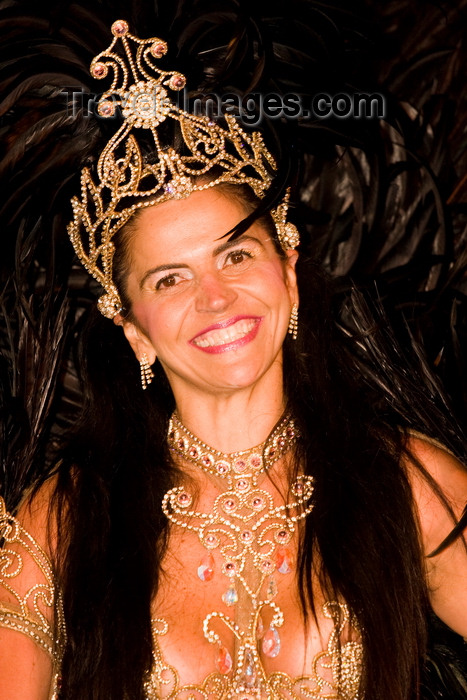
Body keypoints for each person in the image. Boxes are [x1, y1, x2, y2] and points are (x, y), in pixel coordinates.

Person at [0, 10, 467, 700]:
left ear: (287, 266)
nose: (214, 298)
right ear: (132, 328)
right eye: (170, 278)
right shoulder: (65, 519)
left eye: (235, 254)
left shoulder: (409, 484)